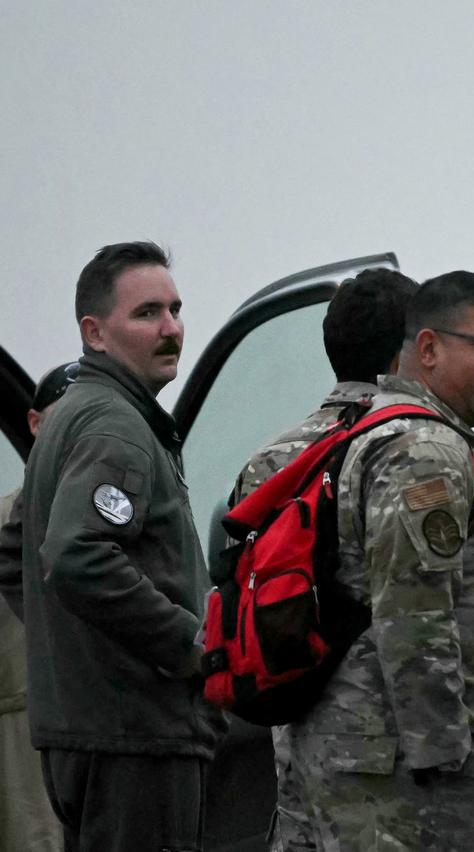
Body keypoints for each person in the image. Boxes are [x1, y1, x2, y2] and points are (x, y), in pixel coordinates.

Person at [288, 270, 474, 849]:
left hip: (355, 749)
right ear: (427, 348)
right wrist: (444, 759)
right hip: (405, 769)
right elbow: (415, 618)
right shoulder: (425, 451)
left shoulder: (380, 435)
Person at [0, 241, 224, 852]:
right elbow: (77, 556)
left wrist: (76, 650)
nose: (172, 328)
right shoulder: (114, 425)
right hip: (137, 736)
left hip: (90, 732)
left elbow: (14, 552)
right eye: (147, 313)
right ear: (94, 333)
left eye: (175, 309)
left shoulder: (73, 416)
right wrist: (188, 643)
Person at [221, 267, 417, 851]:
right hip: (394, 749)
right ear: (413, 347)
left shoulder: (268, 462)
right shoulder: (420, 446)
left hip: (294, 735)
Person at [0, 362, 78, 851]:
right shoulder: (8, 524)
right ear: (34, 424)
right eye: (66, 417)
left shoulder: (128, 509)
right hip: (23, 751)